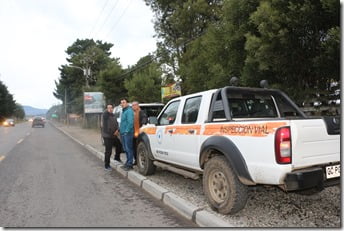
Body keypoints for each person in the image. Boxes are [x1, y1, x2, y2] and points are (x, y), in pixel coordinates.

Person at [101, 104, 119, 171]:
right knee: (108, 151)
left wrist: (117, 130)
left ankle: (117, 158)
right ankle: (107, 165)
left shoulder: (113, 115)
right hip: (107, 136)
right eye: (109, 108)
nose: (110, 109)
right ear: (106, 109)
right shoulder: (105, 115)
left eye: (111, 108)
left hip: (114, 135)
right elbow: (106, 127)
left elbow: (116, 124)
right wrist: (106, 111)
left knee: (119, 145)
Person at [119, 98, 134, 171]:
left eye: (124, 102)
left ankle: (130, 164)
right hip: (123, 133)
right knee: (125, 149)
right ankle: (127, 162)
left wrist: (126, 131)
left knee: (129, 149)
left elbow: (130, 122)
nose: (122, 104)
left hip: (127, 133)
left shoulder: (129, 111)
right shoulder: (124, 111)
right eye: (121, 103)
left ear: (127, 103)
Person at [132, 101, 147, 165]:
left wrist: (143, 123)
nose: (134, 106)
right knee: (134, 148)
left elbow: (144, 118)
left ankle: (140, 160)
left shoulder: (141, 112)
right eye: (132, 105)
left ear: (138, 106)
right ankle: (136, 160)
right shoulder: (133, 113)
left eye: (135, 105)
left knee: (139, 148)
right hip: (133, 133)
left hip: (140, 133)